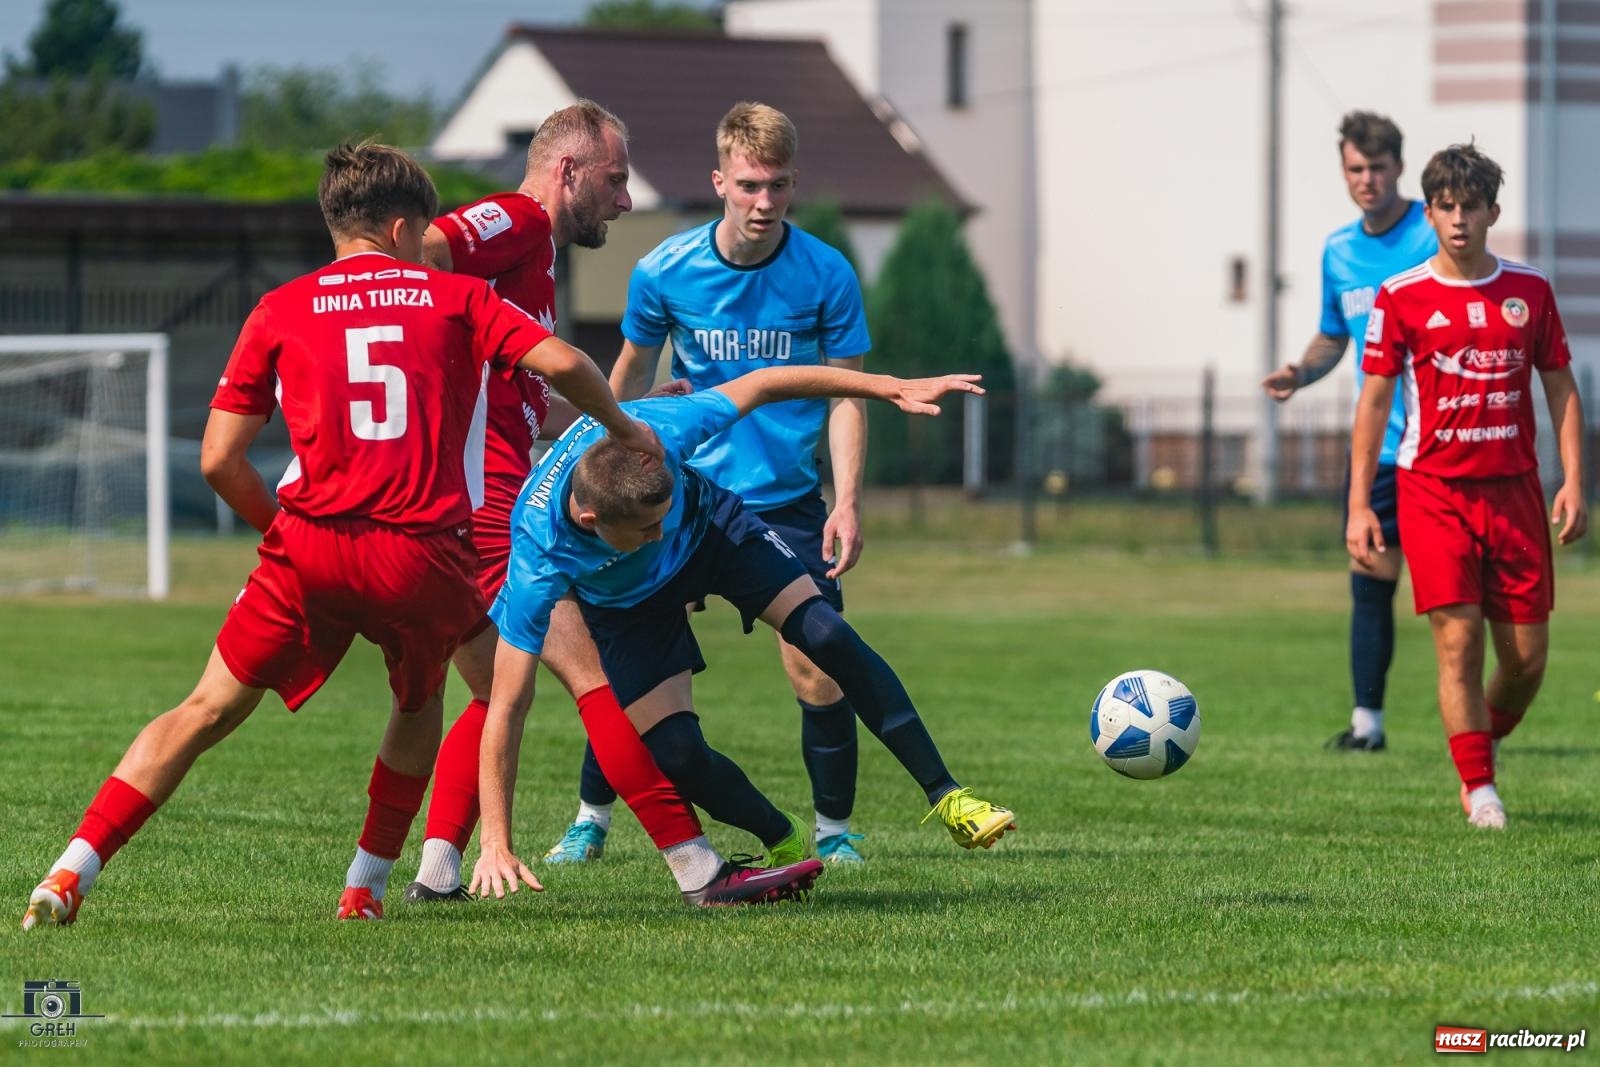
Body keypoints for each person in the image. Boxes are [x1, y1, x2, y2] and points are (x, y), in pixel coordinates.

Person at [19, 141, 667, 929]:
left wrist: (284, 534)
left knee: (204, 708)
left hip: (309, 546)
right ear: (402, 229)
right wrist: (625, 425)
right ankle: (364, 885)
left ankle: (69, 867)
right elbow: (562, 360)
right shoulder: (452, 297)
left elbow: (220, 460)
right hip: (421, 553)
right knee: (424, 696)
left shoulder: (280, 307)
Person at [395, 101, 805, 908]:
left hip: (482, 501)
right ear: (567, 171)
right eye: (615, 180)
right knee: (592, 684)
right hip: (487, 510)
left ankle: (434, 873)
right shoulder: (515, 219)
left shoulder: (536, 264)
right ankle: (700, 872)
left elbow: (515, 396)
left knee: (492, 693)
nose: (623, 200)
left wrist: (639, 406)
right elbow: (423, 255)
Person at [470, 364, 1017, 902]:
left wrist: (889, 384)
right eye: (645, 528)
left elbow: (765, 383)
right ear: (592, 521)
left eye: (662, 514)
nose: (659, 534)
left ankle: (948, 795)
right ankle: (783, 839)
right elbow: (508, 705)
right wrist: (496, 839)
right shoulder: (538, 555)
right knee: (679, 755)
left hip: (716, 535)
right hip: (628, 608)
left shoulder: (660, 428)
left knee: (827, 637)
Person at [545, 101, 877, 867]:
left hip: (787, 500)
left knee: (817, 661)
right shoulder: (665, 269)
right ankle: (591, 817)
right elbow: (624, 377)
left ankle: (835, 832)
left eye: (781, 186)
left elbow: (847, 397)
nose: (765, 202)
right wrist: (599, 462)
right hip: (679, 500)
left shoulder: (827, 273)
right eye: (751, 185)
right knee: (630, 665)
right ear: (719, 180)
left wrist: (849, 500)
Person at [1349, 141, 1587, 830]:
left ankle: (1483, 739)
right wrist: (1361, 501)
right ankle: (1479, 786)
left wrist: (1574, 479)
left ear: (1492, 212)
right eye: (1446, 207)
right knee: (1458, 644)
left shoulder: (1530, 291)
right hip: (1432, 492)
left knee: (1527, 661)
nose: (1458, 219)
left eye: (1471, 207)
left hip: (1514, 493)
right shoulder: (1401, 297)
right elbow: (1372, 404)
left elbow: (1561, 386)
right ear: (1429, 213)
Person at [1262, 111, 1437, 753]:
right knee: (1370, 581)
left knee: (1457, 595)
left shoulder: (1435, 230)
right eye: (1355, 169)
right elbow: (1335, 334)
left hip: (1443, 447)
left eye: (1378, 167)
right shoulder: (1339, 250)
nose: (1367, 180)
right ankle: (1368, 725)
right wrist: (1297, 373)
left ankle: (1481, 726)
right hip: (1381, 452)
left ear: (1399, 166)